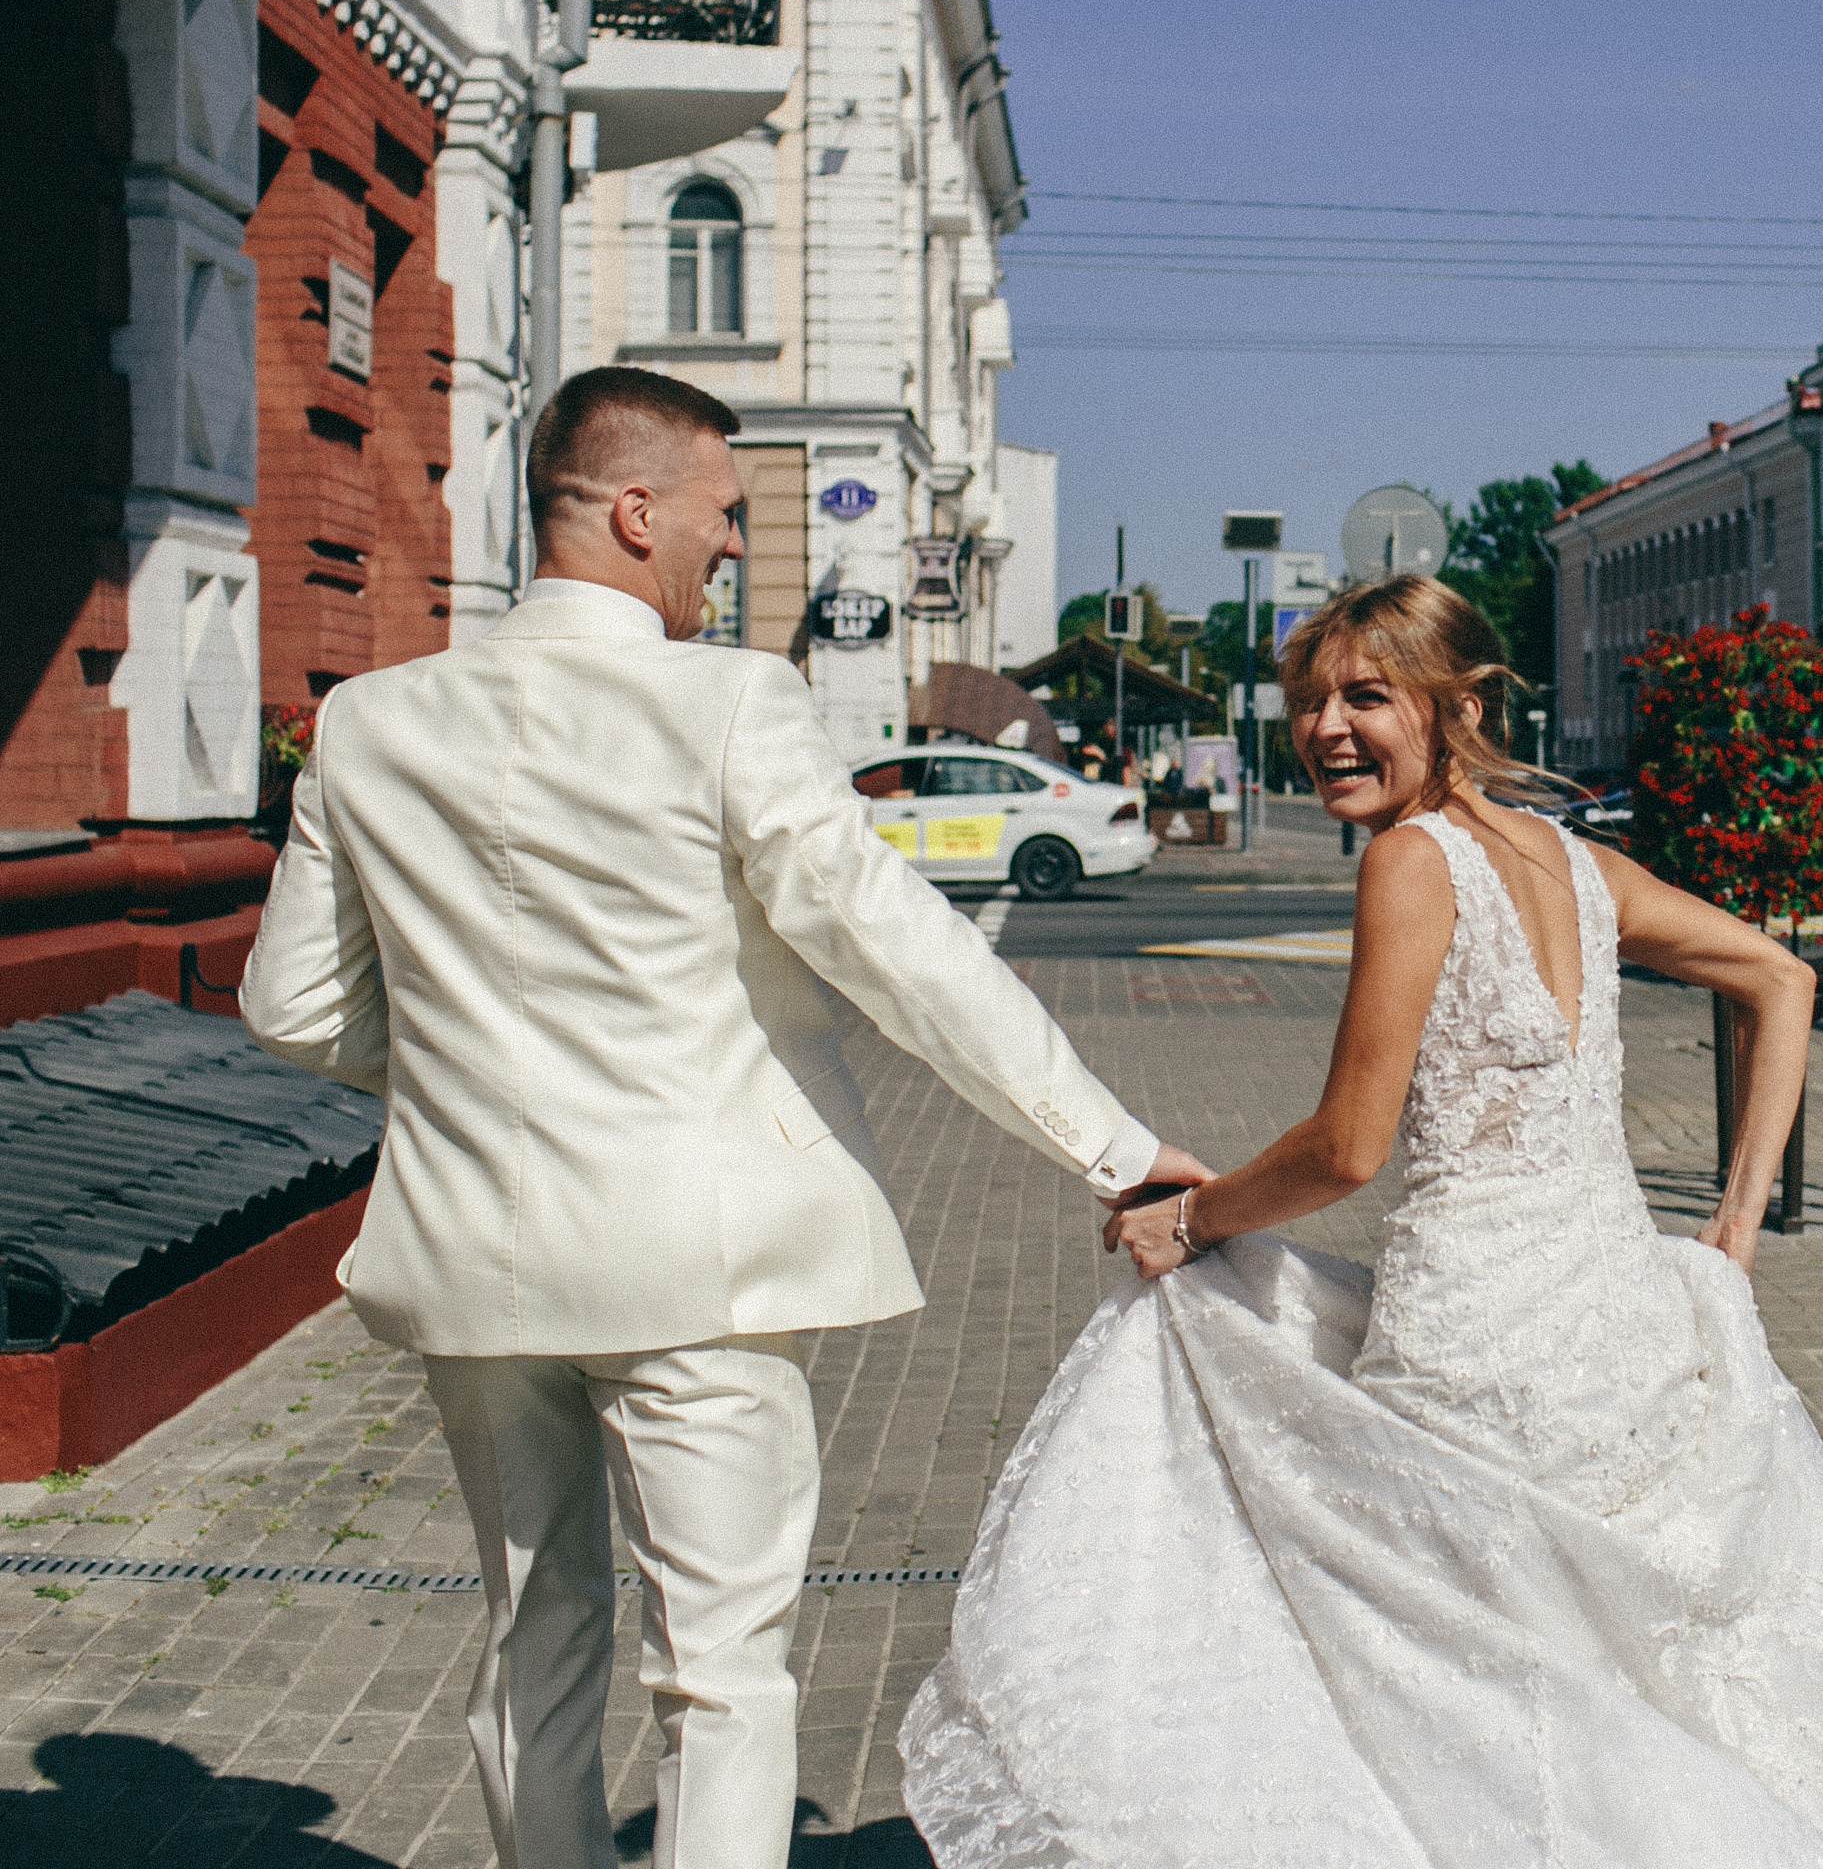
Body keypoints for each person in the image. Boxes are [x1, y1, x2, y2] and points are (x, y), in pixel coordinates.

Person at [901, 574, 1823, 1869]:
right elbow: (1783, 973)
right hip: (1626, 1333)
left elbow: (1346, 1148)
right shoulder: (1572, 861)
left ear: (1462, 702)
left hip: (1477, 1349)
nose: (1327, 730)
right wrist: (1733, 1234)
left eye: (1367, 696)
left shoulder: (1412, 862)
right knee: (1609, 1688)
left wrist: (1190, 1222)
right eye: (1311, 700)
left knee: (1485, 1714)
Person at [239, 366, 1206, 1869]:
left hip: (475, 1251)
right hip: (701, 1264)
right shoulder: (733, 701)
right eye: (719, 516)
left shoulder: (370, 722)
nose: (732, 549)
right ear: (634, 513)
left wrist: (473, 1075)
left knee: (529, 1634)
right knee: (721, 1671)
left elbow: (291, 1008)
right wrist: (1115, 1147)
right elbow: (896, 946)